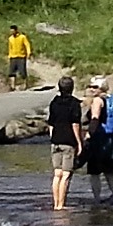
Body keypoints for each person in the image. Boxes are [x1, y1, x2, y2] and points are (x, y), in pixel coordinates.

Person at [81, 78, 113, 203]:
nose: (91, 89)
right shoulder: (112, 99)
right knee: (109, 170)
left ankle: (97, 199)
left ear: (101, 88)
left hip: (100, 140)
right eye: (90, 86)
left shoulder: (97, 101)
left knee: (94, 172)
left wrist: (89, 135)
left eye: (94, 87)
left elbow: (95, 119)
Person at [46, 75, 84, 209]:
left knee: (57, 174)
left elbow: (51, 123)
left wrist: (53, 136)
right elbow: (75, 124)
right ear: (72, 88)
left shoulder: (54, 102)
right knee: (66, 174)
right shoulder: (74, 104)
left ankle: (56, 204)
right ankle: (61, 205)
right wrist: (79, 142)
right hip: (68, 141)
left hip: (55, 141)